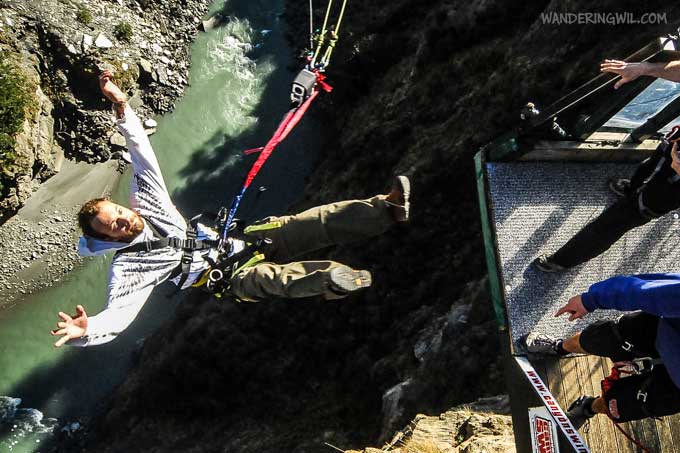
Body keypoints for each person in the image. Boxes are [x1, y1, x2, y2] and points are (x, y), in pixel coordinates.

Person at [50, 71, 411, 348]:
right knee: (274, 280)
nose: (124, 221)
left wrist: (121, 106)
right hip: (230, 278)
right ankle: (336, 280)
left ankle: (387, 209)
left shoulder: (147, 200)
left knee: (315, 222)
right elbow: (119, 316)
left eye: (118, 213)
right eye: (113, 227)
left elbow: (142, 153)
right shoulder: (128, 268)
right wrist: (88, 329)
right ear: (106, 239)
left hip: (242, 239)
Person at [533, 58, 680, 272]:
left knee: (623, 217)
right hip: (674, 148)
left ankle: (563, 260)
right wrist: (646, 69)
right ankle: (632, 189)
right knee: (648, 168)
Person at [525, 273, 680, 428]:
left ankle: (588, 407)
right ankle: (560, 347)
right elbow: (648, 292)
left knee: (619, 404)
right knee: (599, 339)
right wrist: (591, 300)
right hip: (663, 330)